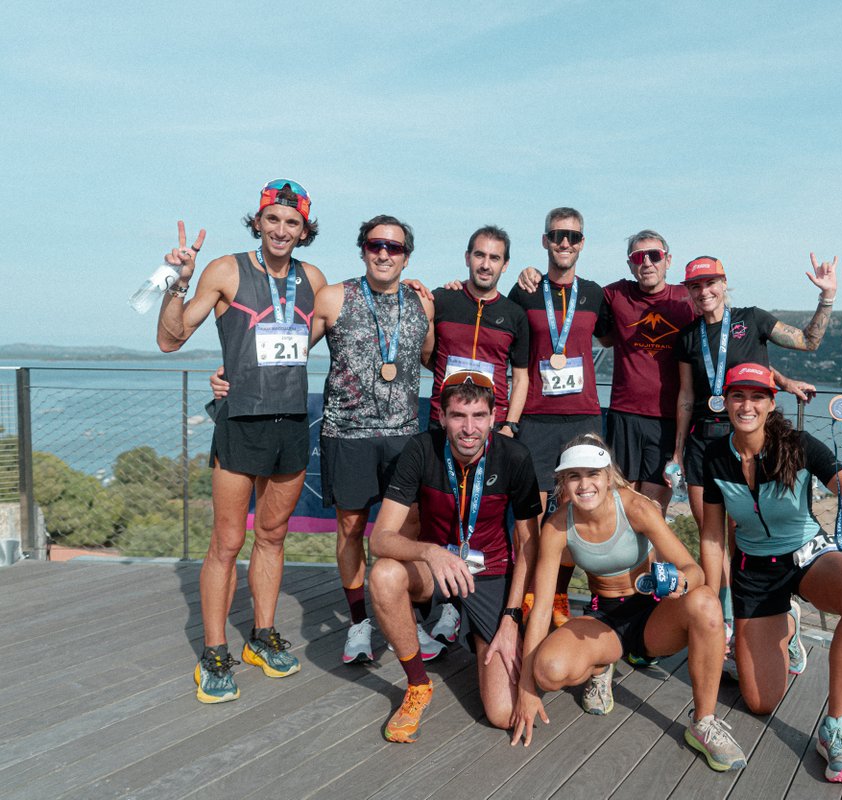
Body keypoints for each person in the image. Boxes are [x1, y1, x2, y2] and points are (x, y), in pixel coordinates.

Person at [210, 215, 435, 667]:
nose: (384, 253)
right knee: (351, 530)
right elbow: (287, 349)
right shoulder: (333, 297)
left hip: (405, 437)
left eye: (394, 247)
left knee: (406, 532)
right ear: (363, 249)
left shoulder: (422, 304)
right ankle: (358, 625)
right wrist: (228, 375)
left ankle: (404, 620)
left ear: (407, 255)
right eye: (375, 245)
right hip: (346, 434)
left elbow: (432, 358)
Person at [156, 180, 328, 703]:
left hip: (292, 423)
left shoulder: (313, 279)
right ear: (258, 222)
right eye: (272, 219)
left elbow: (301, 338)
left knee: (273, 537)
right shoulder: (226, 270)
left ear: (304, 231)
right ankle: (213, 650)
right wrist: (178, 282)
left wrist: (247, 364)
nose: (281, 230)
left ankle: (262, 635)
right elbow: (170, 339)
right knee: (227, 543)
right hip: (241, 424)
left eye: (291, 222)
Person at [511, 436, 748, 773]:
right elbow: (541, 607)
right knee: (548, 672)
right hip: (604, 619)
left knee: (706, 603)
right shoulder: (556, 527)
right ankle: (600, 665)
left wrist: (681, 583)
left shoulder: (636, 507)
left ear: (608, 476)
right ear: (563, 482)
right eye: (574, 476)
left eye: (593, 473)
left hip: (654, 615)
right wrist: (526, 687)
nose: (585, 484)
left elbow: (694, 571)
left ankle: (703, 722)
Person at [699, 363, 842, 784]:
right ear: (725, 402)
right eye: (738, 396)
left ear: (771, 403)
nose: (746, 405)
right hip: (753, 572)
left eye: (757, 397)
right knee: (761, 701)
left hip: (806, 556)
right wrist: (715, 600)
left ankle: (836, 728)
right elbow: (712, 538)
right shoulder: (713, 455)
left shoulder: (799, 446)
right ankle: (788, 620)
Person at [670, 253, 836, 650]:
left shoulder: (753, 319)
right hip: (702, 441)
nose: (704, 291)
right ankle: (721, 622)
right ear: (689, 292)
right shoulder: (688, 337)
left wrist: (826, 297)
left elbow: (808, 342)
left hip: (751, 437)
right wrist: (677, 450)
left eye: (711, 283)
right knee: (710, 537)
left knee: (740, 534)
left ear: (725, 284)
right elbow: (688, 395)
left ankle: (778, 617)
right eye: (696, 286)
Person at [367, 372, 542, 742]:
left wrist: (511, 618)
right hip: (435, 569)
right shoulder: (420, 449)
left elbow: (529, 543)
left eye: (478, 416)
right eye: (459, 416)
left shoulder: (514, 456)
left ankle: (476, 631)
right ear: (442, 417)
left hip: (489, 573)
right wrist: (430, 552)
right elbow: (380, 539)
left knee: (503, 713)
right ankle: (417, 684)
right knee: (384, 575)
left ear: (494, 418)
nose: (469, 428)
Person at [517, 229, 694, 514]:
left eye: (655, 255)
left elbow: (718, 338)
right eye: (638, 256)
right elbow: (569, 290)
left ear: (668, 260)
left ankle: (654, 561)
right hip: (624, 416)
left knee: (651, 512)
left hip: (667, 421)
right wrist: (531, 273)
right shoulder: (612, 294)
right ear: (630, 264)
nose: (646, 262)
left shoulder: (686, 299)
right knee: (620, 511)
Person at [507, 208, 610, 627]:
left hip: (583, 418)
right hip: (535, 417)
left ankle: (561, 594)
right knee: (532, 516)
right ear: (545, 240)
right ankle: (531, 592)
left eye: (572, 236)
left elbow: (615, 335)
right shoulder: (525, 292)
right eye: (556, 236)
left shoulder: (596, 294)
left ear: (582, 243)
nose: (564, 243)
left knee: (575, 513)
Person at [427, 225, 530, 433]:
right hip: (444, 420)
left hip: (493, 424)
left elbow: (521, 378)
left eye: (494, 258)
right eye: (479, 255)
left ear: (505, 265)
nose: (485, 265)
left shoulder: (515, 314)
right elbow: (427, 355)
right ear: (467, 258)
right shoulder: (442, 300)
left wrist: (510, 425)